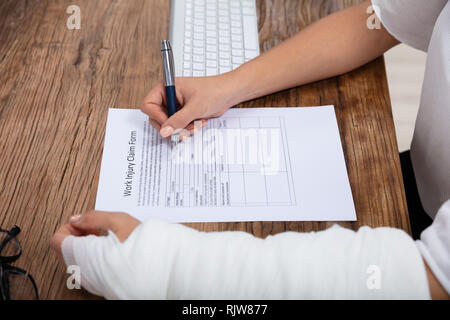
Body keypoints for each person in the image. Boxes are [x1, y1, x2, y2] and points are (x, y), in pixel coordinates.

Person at [51, 0, 449, 299]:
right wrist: (228, 86)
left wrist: (156, 267)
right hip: (420, 186)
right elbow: (377, 22)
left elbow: (428, 276)